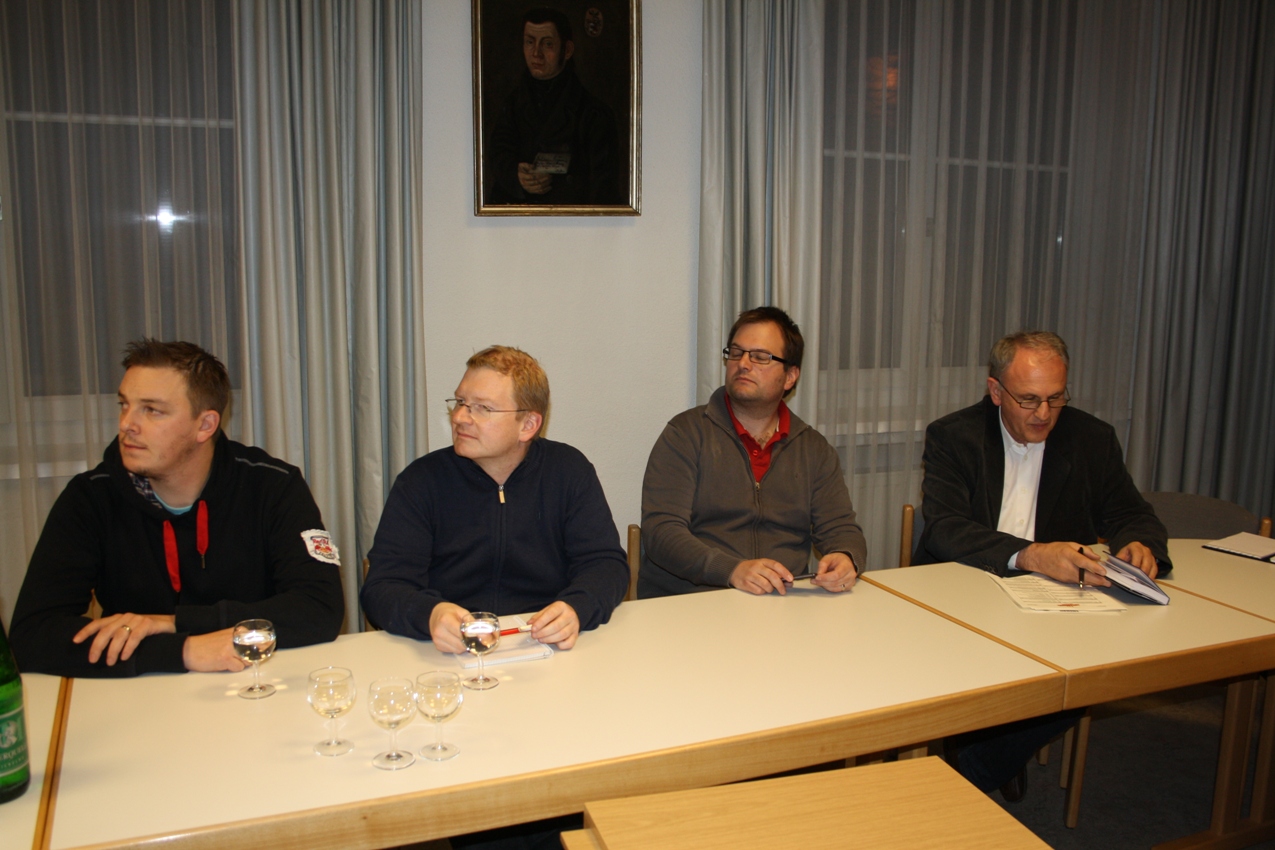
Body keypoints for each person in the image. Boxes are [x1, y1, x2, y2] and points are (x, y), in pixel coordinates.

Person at [915, 330, 1170, 800]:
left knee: (1086, 677)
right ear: (996, 392)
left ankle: (974, 766)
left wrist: (1139, 543)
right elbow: (944, 529)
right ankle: (991, 755)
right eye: (1029, 400)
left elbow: (1132, 513)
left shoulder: (1091, 438)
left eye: (1056, 398)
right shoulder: (954, 436)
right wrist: (1033, 554)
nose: (1044, 414)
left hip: (1057, 604)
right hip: (965, 590)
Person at [10, 340, 344, 678]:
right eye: (124, 405)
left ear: (205, 425)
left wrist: (174, 623)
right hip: (140, 692)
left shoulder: (273, 486)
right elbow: (32, 636)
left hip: (256, 682)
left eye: (152, 410)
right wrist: (183, 650)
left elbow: (319, 609)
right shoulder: (90, 498)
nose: (127, 424)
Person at [361, 345, 627, 652]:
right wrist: (430, 615)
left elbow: (606, 564)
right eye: (461, 402)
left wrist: (577, 608)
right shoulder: (421, 481)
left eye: (482, 408)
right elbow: (382, 587)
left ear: (528, 425)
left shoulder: (568, 471)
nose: (459, 417)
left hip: (543, 644)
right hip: (446, 650)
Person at [640, 306, 868, 598]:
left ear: (790, 376)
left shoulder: (814, 450)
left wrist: (846, 557)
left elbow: (841, 529)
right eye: (736, 353)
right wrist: (731, 570)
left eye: (760, 357)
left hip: (781, 602)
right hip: (695, 600)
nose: (743, 364)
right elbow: (662, 533)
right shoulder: (686, 434)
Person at [486, 7, 620, 205]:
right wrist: (516, 176)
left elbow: (603, 194)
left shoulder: (595, 114)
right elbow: (498, 154)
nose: (536, 53)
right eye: (529, 42)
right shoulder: (512, 105)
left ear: (567, 50)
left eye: (547, 44)